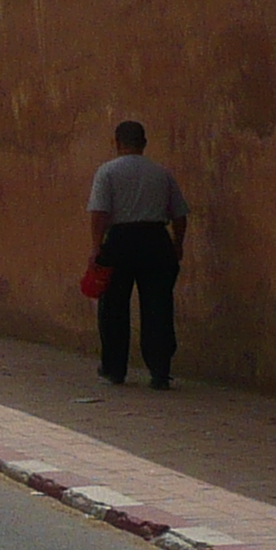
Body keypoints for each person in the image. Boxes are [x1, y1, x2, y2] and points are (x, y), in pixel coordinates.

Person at [87, 119, 190, 388]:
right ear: (144, 143)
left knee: (114, 307)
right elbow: (179, 214)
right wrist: (178, 244)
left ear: (117, 142)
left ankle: (114, 368)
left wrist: (97, 247)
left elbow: (100, 213)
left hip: (120, 240)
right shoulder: (161, 173)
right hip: (156, 240)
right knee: (158, 306)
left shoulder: (107, 172)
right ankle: (159, 370)